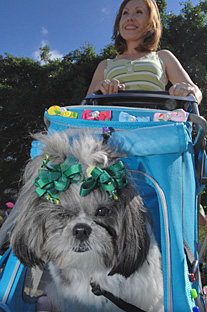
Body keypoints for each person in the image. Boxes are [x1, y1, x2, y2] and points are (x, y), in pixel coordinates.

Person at [87, 0, 202, 104]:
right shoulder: (105, 65)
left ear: (150, 23)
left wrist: (188, 91)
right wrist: (100, 90)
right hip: (112, 127)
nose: (130, 18)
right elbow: (86, 106)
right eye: (125, 13)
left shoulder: (163, 57)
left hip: (155, 125)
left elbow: (196, 93)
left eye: (138, 12)